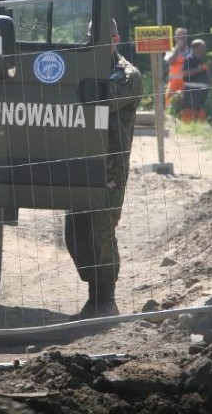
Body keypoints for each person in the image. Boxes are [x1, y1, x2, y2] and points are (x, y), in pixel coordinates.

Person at [65, 19, 142, 320]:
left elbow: (100, 98)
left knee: (100, 230)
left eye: (101, 38)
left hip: (109, 165)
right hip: (81, 160)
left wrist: (74, 82)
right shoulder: (84, 69)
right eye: (89, 37)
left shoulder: (128, 75)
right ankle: (93, 293)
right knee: (75, 231)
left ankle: (104, 298)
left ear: (115, 38)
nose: (94, 43)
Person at [181, 39, 211, 122]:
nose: (204, 49)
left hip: (200, 88)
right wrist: (197, 70)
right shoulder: (189, 59)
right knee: (190, 107)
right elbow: (184, 73)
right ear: (196, 48)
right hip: (192, 88)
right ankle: (186, 124)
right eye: (203, 47)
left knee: (198, 107)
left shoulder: (200, 58)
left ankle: (200, 124)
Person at [164, 27, 189, 109]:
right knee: (169, 104)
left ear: (186, 38)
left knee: (184, 106)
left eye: (182, 37)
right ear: (175, 38)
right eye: (178, 37)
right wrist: (177, 49)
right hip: (172, 84)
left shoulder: (190, 50)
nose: (180, 39)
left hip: (186, 83)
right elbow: (169, 61)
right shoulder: (170, 50)